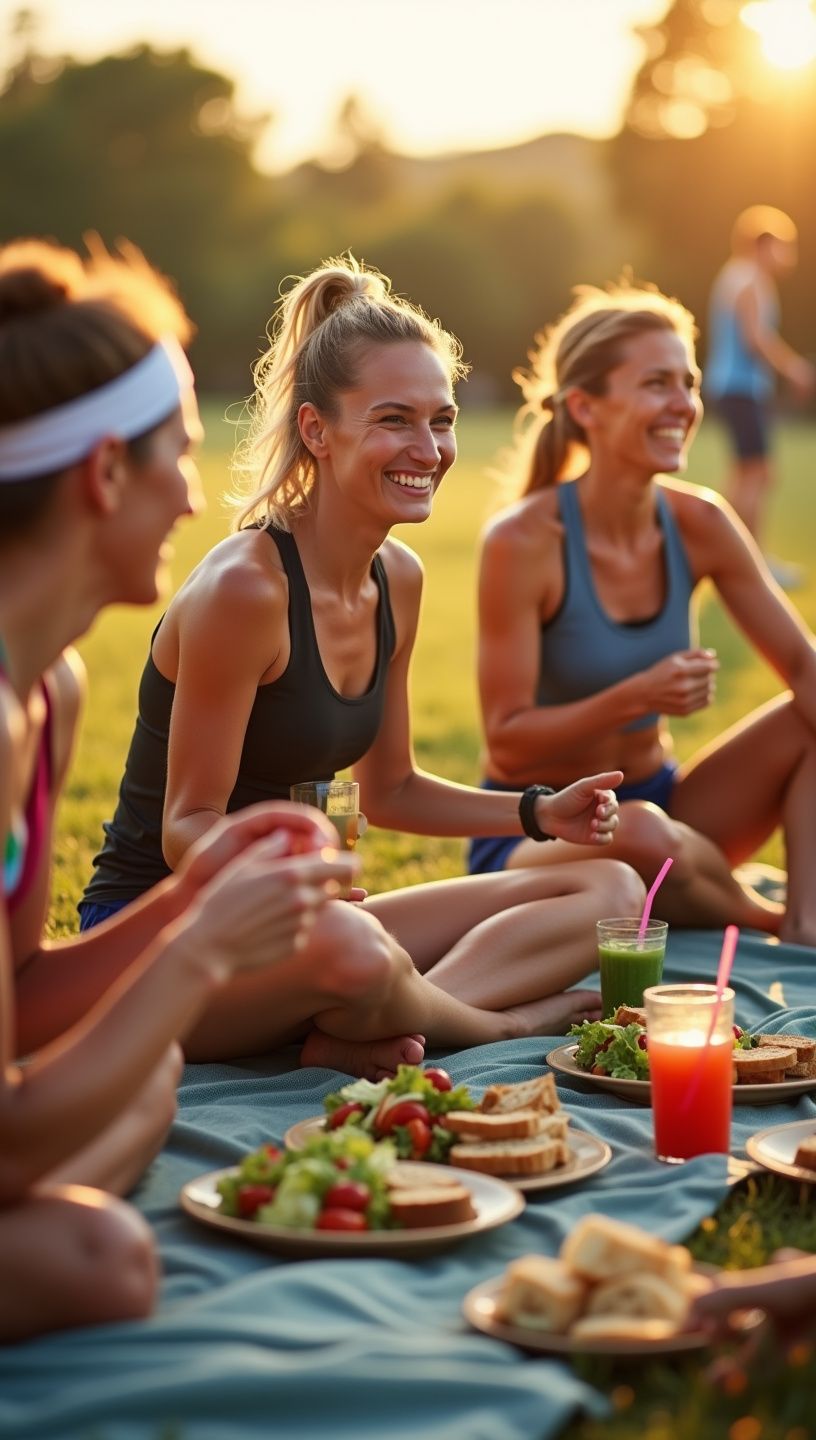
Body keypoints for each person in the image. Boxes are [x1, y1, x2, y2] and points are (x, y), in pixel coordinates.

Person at [77, 253, 644, 1053]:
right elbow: (186, 826)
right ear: (318, 430)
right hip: (159, 939)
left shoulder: (397, 581)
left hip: (310, 923)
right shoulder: (249, 591)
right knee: (355, 948)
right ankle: (493, 1020)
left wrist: (537, 811)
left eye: (440, 420)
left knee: (609, 887)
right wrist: (307, 874)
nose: (429, 448)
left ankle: (377, 1017)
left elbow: (395, 788)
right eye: (393, 420)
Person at [0, 236, 383, 1341]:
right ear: (101, 474)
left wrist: (190, 899)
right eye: (174, 451)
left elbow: (21, 994)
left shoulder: (48, 691)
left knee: (153, 1077)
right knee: (106, 1259)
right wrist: (201, 950)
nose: (189, 493)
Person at [471, 277, 816, 946]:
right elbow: (507, 738)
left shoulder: (701, 521)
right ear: (586, 406)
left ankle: (806, 925)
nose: (684, 404)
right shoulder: (524, 542)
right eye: (657, 384)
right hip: (538, 826)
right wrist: (636, 694)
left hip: (667, 799)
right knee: (645, 831)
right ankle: (767, 922)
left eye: (688, 383)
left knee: (812, 706)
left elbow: (802, 662)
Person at [705, 205, 815, 588]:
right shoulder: (749, 279)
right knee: (757, 473)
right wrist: (794, 370)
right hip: (740, 388)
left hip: (734, 388)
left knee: (747, 474)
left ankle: (726, 555)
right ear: (763, 245)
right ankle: (751, 563)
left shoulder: (735, 276)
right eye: (783, 246)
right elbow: (756, 338)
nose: (788, 255)